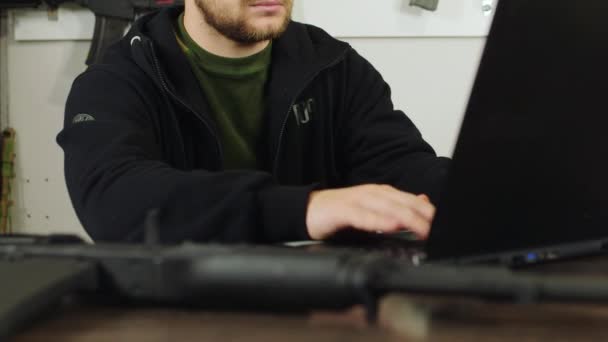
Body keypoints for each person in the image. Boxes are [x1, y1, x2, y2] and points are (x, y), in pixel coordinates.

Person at [57, 0, 450, 243]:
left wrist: (485, 193)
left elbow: (403, 170)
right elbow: (114, 201)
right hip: (176, 316)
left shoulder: (336, 67)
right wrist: (303, 209)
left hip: (319, 313)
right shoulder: (117, 81)